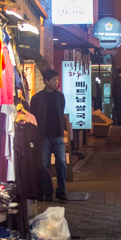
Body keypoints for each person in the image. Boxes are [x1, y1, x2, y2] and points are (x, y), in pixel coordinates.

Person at [30, 68, 67, 202]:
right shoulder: (37, 98)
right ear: (46, 81)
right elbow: (33, 117)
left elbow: (61, 113)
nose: (56, 82)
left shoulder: (60, 96)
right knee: (44, 165)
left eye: (57, 79)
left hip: (58, 136)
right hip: (44, 137)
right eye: (53, 80)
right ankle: (48, 192)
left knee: (62, 164)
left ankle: (61, 192)